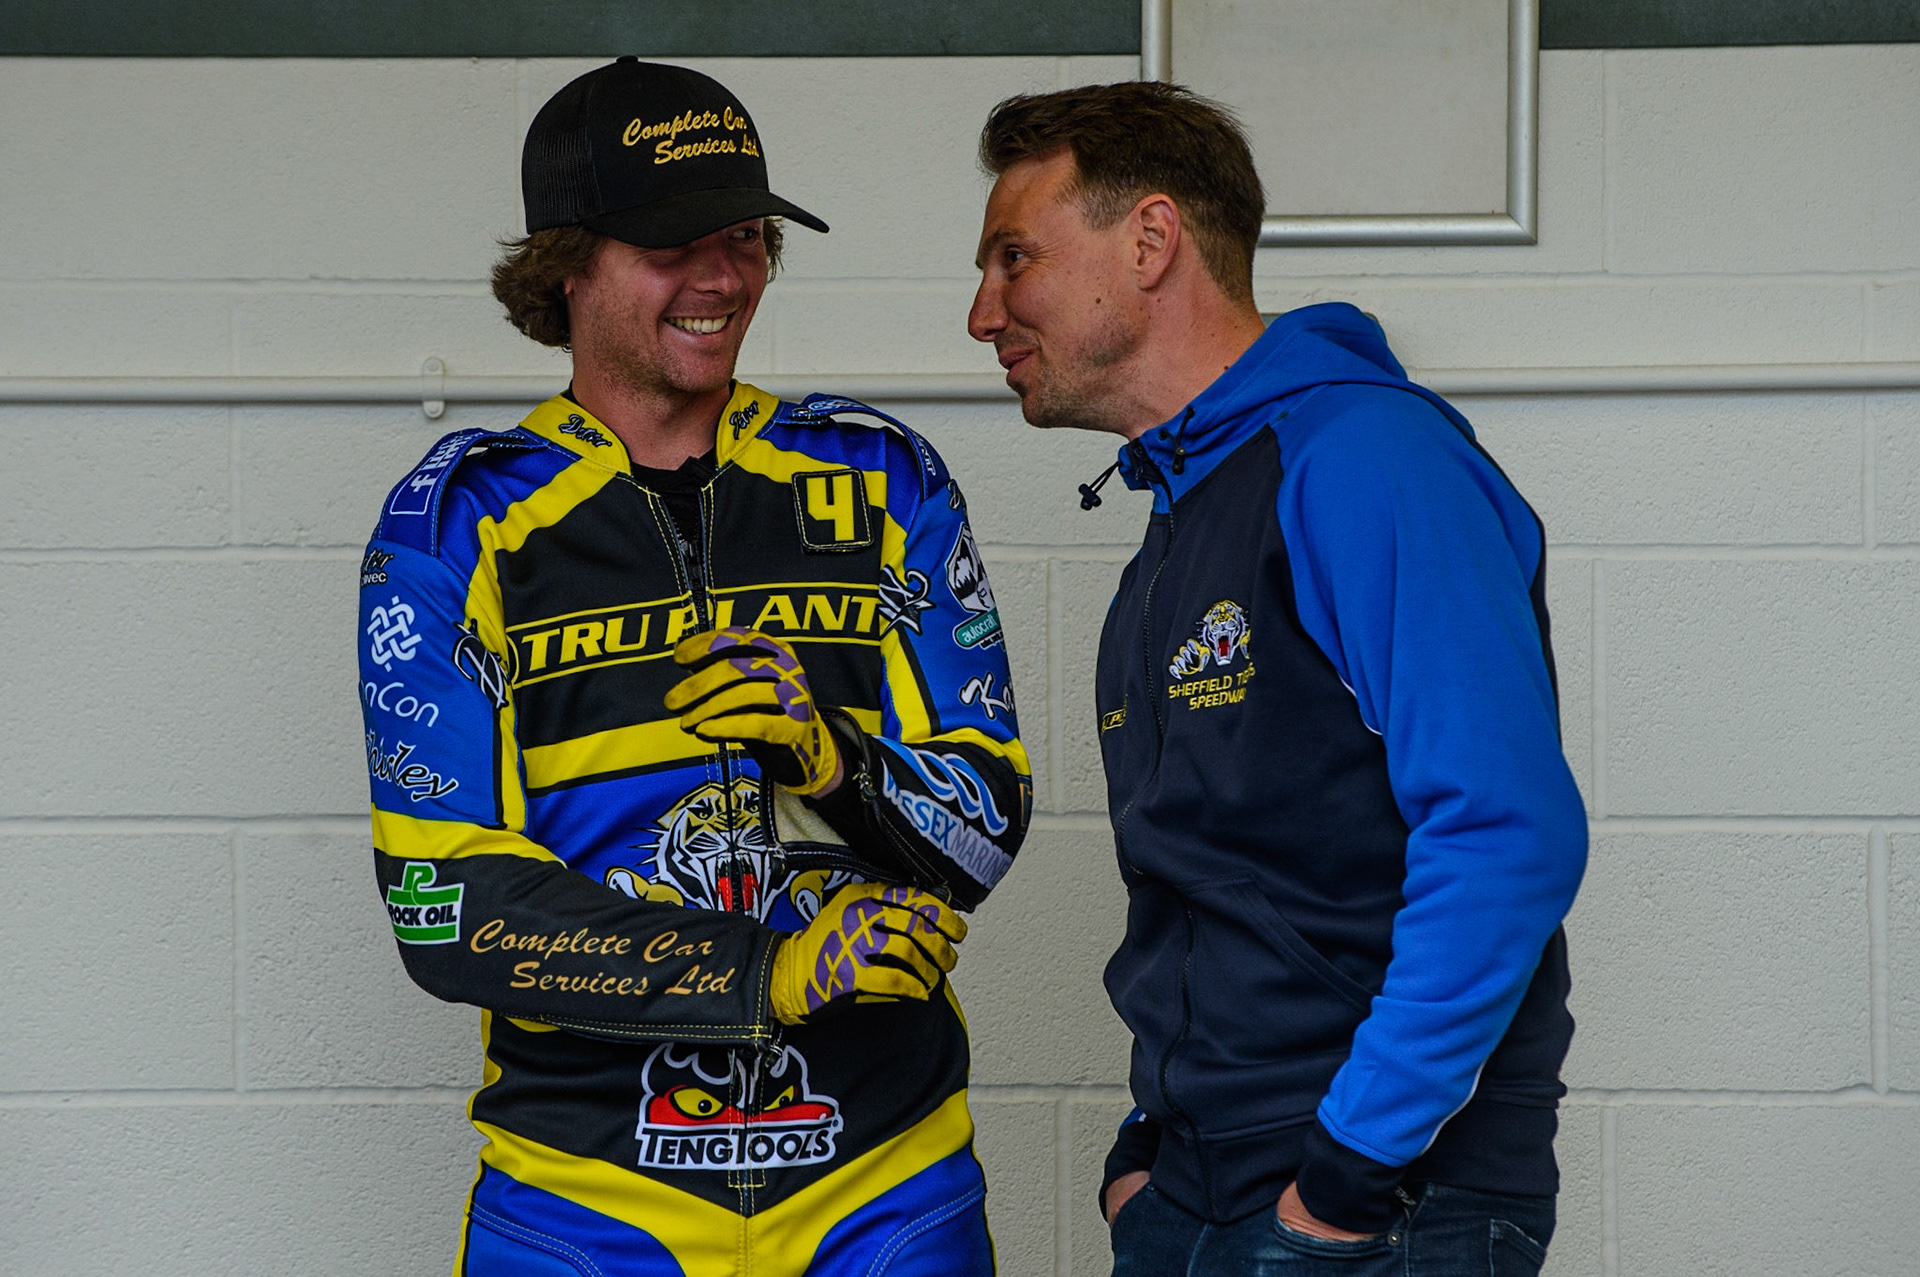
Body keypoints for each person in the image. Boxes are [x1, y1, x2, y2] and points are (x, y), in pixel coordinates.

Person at [360, 58, 1030, 1277]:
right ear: (567, 263)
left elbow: (984, 830)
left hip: (886, 1181)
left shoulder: (883, 479)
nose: (722, 276)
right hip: (585, 1201)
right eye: (672, 242)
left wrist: (831, 758)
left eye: (745, 235)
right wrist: (770, 970)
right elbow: (440, 902)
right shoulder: (459, 520)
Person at [967, 82, 1587, 1274]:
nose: (984, 312)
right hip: (1199, 1189)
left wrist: (1345, 1178)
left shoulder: (1362, 457)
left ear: (1149, 241)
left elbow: (1509, 833)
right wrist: (1146, 1150)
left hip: (1376, 1212)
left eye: (1014, 257)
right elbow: (1215, 876)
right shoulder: (1187, 513)